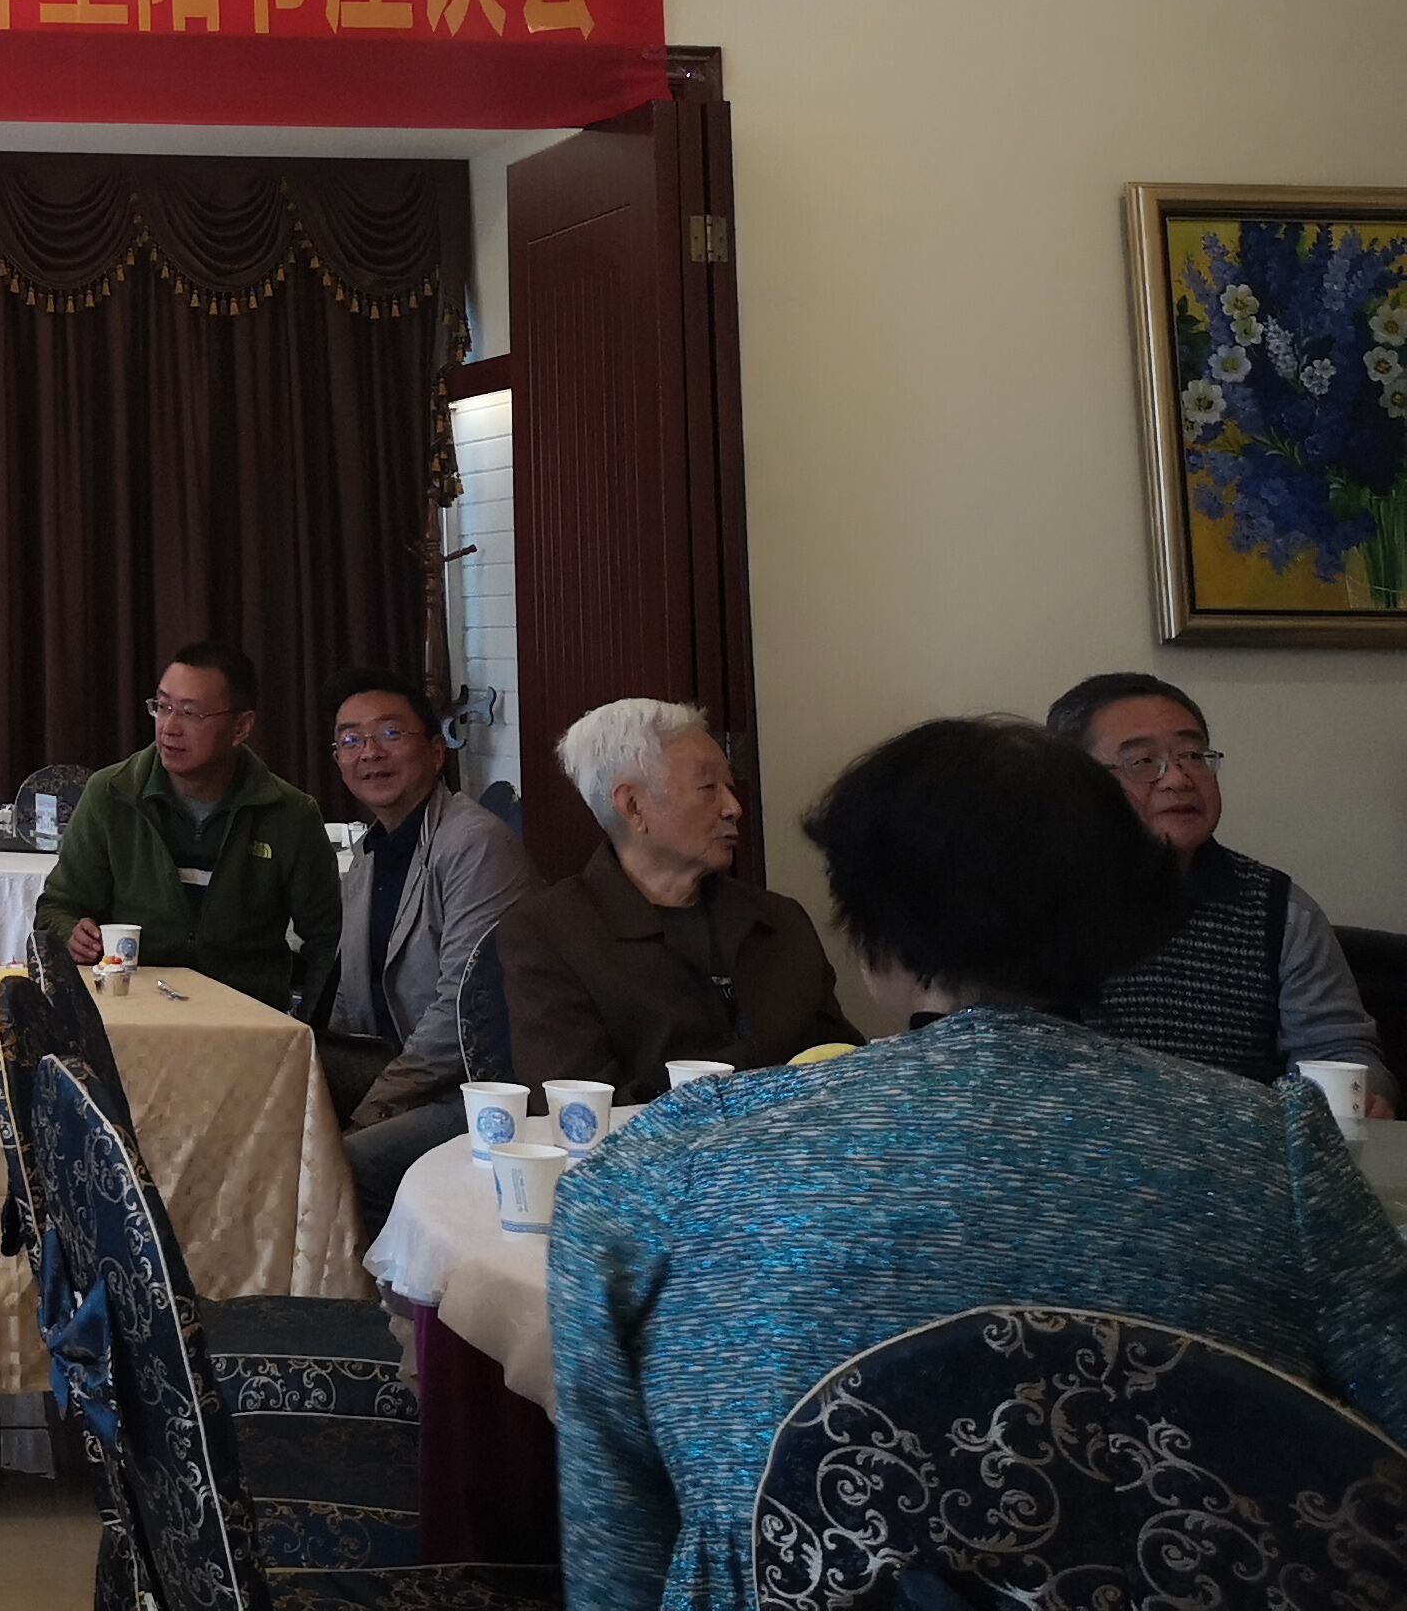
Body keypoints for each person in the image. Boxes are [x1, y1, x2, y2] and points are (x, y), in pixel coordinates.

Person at [552, 717, 1407, 1610]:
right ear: (1121, 916)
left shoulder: (668, 1163)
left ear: (873, 927)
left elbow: (618, 1547)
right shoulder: (1275, 1150)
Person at [1051, 669, 1393, 1112]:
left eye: (1193, 756)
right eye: (1142, 762)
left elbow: (1338, 1049)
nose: (1178, 779)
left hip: (1244, 1148)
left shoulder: (1280, 911)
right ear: (1076, 782)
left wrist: (1365, 1096)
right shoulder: (1037, 901)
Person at [497, 697, 855, 1102]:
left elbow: (843, 1063)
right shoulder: (549, 934)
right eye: (708, 788)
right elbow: (580, 1108)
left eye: (729, 787)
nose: (733, 808)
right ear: (633, 806)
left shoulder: (780, 920)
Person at [311, 666, 534, 1234]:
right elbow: (350, 999)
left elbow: (464, 1010)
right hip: (399, 1073)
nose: (370, 753)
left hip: (476, 1089)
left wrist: (371, 1106)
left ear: (436, 752)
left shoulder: (474, 844)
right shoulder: (369, 854)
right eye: (351, 740)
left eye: (391, 734)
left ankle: (381, 1291)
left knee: (347, 1164)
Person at [31, 640, 339, 1014]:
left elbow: (328, 938)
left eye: (191, 713)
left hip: (247, 1021)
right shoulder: (113, 794)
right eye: (162, 707)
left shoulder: (288, 813)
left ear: (241, 727)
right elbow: (56, 908)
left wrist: (309, 1024)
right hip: (131, 1015)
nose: (169, 728)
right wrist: (72, 934)